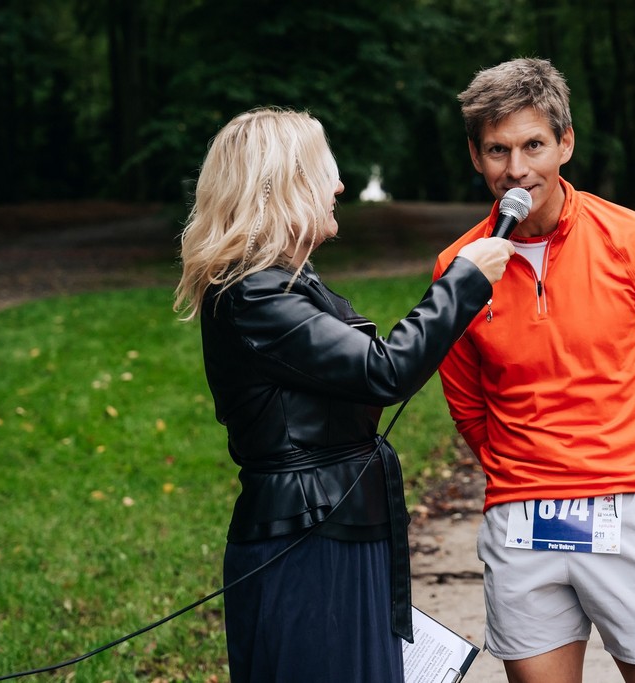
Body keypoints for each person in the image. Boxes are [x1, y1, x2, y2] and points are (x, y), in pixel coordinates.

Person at [174, 107, 514, 683]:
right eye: (324, 171)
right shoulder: (253, 296)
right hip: (309, 548)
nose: (338, 186)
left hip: (337, 534)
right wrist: (463, 281)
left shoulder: (286, 283)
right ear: (284, 184)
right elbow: (385, 370)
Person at [433, 58, 635, 683]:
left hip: (630, 506)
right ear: (476, 156)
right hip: (522, 521)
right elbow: (468, 406)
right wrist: (522, 472)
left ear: (565, 143)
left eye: (533, 145)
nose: (516, 169)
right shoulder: (458, 266)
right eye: (497, 150)